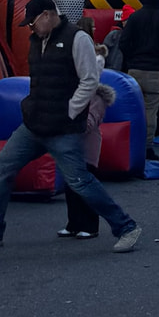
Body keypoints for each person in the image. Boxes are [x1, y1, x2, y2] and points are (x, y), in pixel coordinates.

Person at [0, 0, 141, 252]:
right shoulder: (38, 40)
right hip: (34, 124)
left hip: (62, 128)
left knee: (80, 181)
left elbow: (89, 80)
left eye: (32, 23)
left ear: (47, 15)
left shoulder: (77, 39)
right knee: (2, 167)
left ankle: (126, 227)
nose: (31, 28)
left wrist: (70, 111)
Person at [117, 0, 159, 156]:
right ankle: (147, 146)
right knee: (151, 110)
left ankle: (130, 144)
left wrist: (131, 59)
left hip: (134, 70)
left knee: (132, 108)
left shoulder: (135, 17)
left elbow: (123, 42)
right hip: (153, 71)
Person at [60, 77, 113, 238]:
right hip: (71, 147)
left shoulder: (96, 98)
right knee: (70, 188)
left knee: (85, 188)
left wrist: (67, 119)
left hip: (86, 148)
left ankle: (90, 225)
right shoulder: (74, 93)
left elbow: (89, 123)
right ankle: (74, 224)